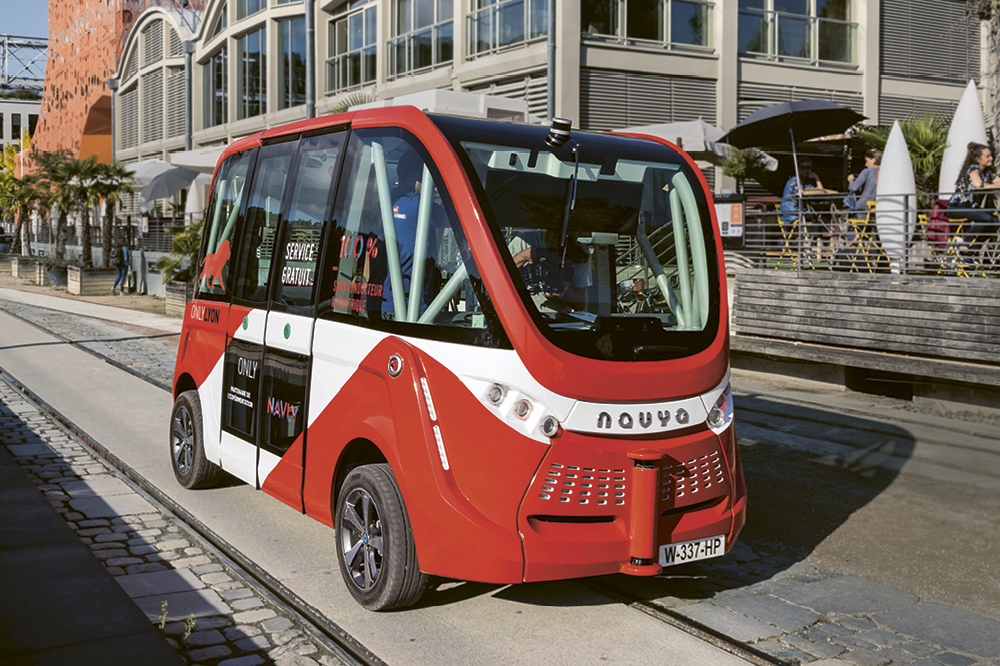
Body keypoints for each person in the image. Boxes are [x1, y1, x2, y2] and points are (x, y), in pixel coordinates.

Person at [947, 142, 1000, 258]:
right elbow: (977, 184)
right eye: (988, 156)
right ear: (977, 159)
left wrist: (985, 186)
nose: (991, 158)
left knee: (995, 220)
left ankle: (975, 248)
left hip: (970, 208)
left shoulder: (986, 173)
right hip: (956, 207)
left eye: (991, 155)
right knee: (986, 218)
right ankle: (964, 244)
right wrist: (985, 185)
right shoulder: (973, 169)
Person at [778, 159, 824, 258]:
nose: (806, 170)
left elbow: (821, 193)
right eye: (803, 167)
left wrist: (817, 178)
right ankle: (807, 247)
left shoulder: (806, 183)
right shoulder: (794, 181)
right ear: (798, 169)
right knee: (816, 219)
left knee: (819, 219)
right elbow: (802, 194)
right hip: (790, 212)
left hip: (800, 212)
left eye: (808, 168)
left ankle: (807, 246)